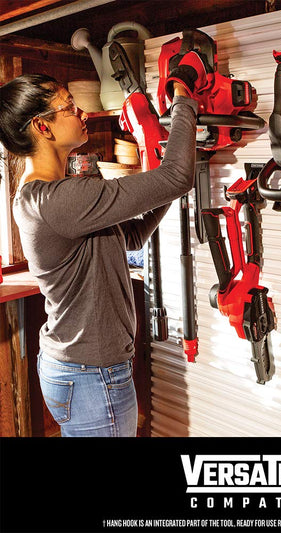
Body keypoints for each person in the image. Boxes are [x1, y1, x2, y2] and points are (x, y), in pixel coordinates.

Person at [0, 51, 212, 437]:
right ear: (42, 127)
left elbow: (130, 235)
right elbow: (178, 177)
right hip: (92, 376)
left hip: (78, 367)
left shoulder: (43, 196)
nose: (81, 113)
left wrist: (162, 183)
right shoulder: (59, 199)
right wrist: (183, 95)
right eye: (69, 107)